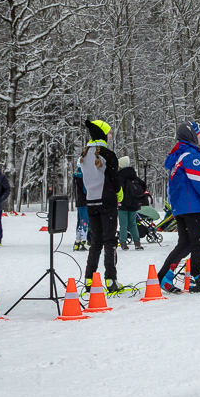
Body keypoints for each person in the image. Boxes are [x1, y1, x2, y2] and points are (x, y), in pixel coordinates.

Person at [158, 122, 200, 294]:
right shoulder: (190, 154)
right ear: (192, 135)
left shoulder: (177, 154)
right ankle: (196, 279)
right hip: (193, 206)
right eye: (198, 134)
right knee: (198, 242)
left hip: (181, 207)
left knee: (185, 244)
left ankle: (163, 276)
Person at [79, 119, 123, 292]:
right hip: (107, 201)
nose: (110, 135)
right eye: (109, 133)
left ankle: (89, 279)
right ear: (102, 134)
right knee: (110, 241)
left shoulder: (83, 155)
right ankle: (110, 280)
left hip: (91, 202)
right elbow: (114, 178)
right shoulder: (107, 154)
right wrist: (119, 192)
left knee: (95, 242)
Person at [117, 156, 146, 250]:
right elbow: (143, 185)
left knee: (123, 224)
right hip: (134, 203)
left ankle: (123, 242)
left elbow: (116, 188)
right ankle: (137, 242)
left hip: (122, 204)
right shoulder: (133, 175)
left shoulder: (119, 176)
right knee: (133, 223)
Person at [72, 166, 89, 251]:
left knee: (80, 220)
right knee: (85, 221)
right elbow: (85, 189)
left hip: (79, 200)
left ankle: (77, 240)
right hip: (85, 200)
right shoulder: (85, 173)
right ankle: (84, 241)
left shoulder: (76, 174)